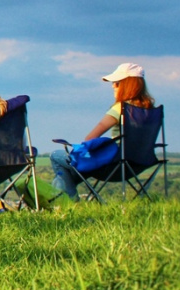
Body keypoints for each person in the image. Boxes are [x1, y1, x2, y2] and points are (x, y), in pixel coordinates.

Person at [50, 63, 156, 199]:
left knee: (56, 156)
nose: (113, 86)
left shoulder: (121, 108)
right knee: (71, 172)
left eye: (117, 83)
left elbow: (90, 138)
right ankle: (58, 199)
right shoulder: (150, 110)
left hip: (113, 165)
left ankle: (71, 203)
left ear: (127, 85)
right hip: (139, 163)